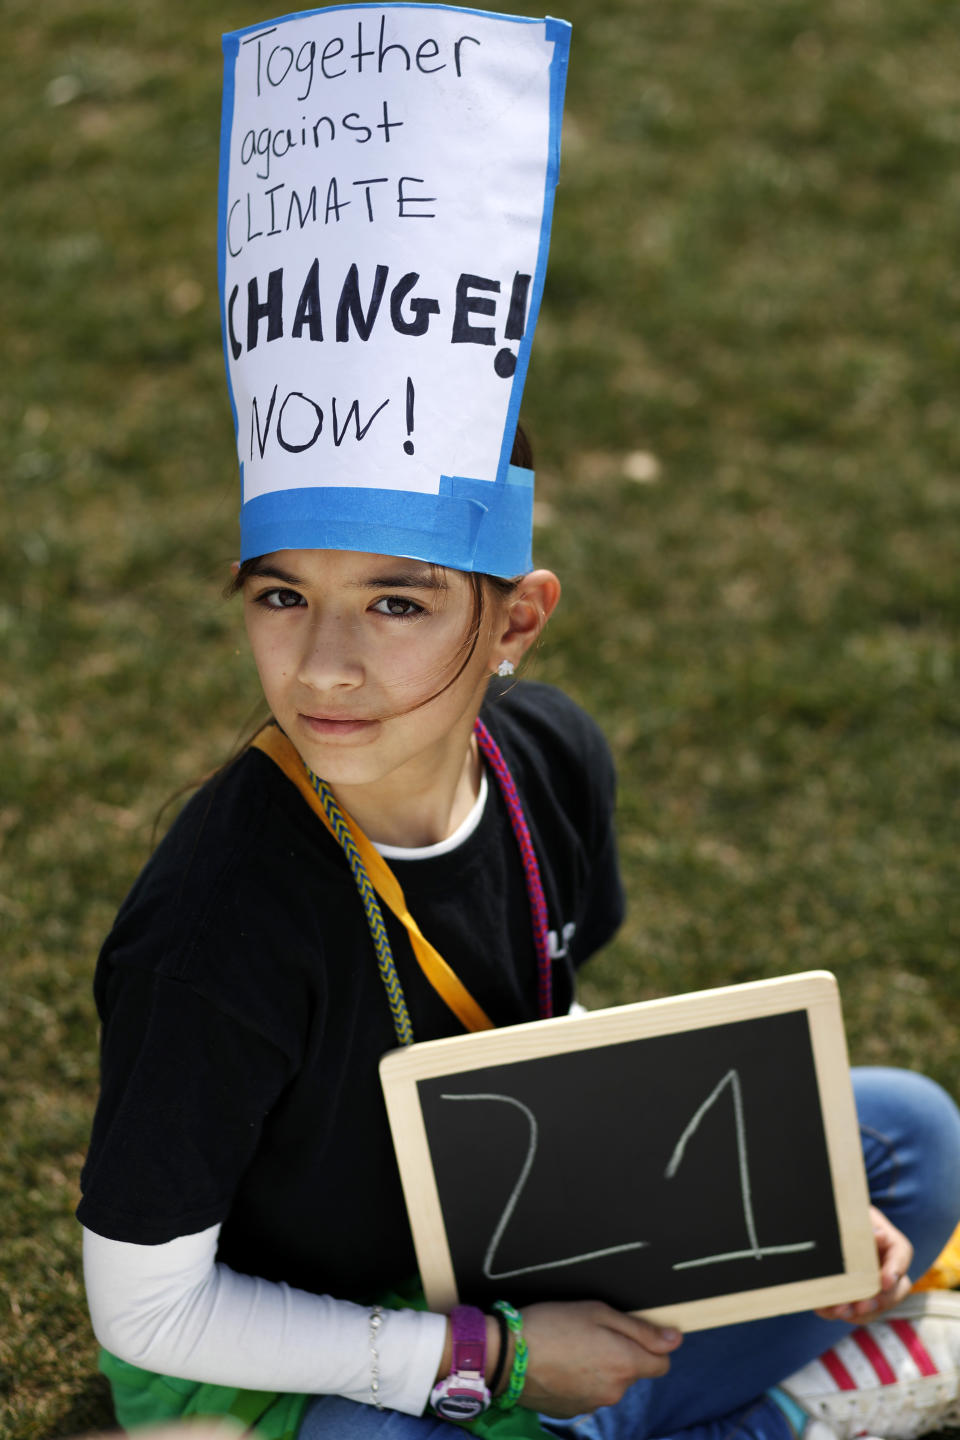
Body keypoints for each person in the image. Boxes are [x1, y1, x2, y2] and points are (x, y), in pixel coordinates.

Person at [77, 7, 960, 1440]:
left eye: (401, 605)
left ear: (519, 622)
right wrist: (482, 1361)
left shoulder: (551, 758)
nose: (328, 665)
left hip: (495, 1241)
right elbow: (145, 1309)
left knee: (901, 1136)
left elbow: (545, 1037)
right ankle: (770, 1412)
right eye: (281, 595)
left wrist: (790, 1222)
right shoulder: (217, 922)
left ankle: (660, 1396)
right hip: (325, 1350)